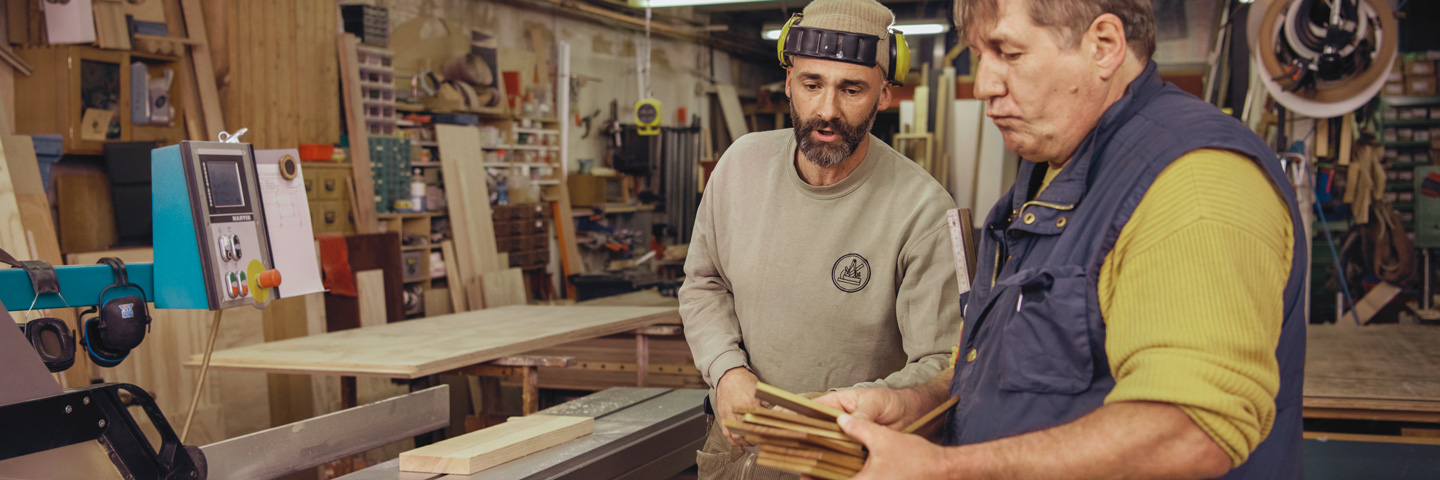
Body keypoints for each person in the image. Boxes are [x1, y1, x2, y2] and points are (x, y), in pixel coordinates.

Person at [812, 0, 1308, 478]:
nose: (984, 83)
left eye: (1008, 53)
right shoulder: (1054, 173)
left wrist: (946, 470)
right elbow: (1010, 369)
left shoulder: (1195, 183)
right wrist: (913, 405)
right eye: (979, 55)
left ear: (1104, 45)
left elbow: (1188, 430)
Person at [678, 0, 964, 477]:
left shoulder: (924, 210)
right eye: (812, 85)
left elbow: (940, 362)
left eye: (852, 89)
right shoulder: (739, 167)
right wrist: (726, 371)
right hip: (736, 452)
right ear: (789, 81)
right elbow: (703, 283)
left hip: (848, 460)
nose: (827, 111)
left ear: (884, 95)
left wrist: (847, 408)